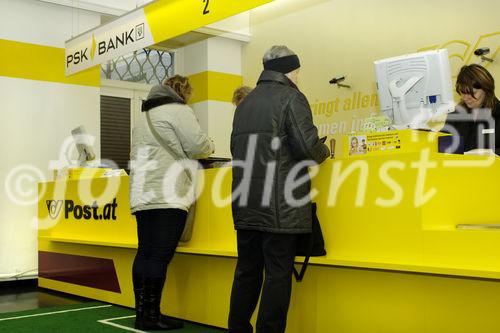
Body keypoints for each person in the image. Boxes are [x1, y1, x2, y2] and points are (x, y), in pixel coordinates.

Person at [228, 45, 330, 333]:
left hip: (246, 201)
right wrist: (324, 150)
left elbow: (235, 148)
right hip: (279, 206)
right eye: (298, 71)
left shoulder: (246, 103)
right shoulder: (292, 98)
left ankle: (237, 329)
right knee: (277, 274)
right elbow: (308, 148)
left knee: (247, 271)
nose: (299, 77)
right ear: (291, 70)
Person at [129, 75, 214, 330]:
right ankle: (151, 316)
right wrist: (211, 144)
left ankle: (143, 313)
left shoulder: (142, 117)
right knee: (159, 255)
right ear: (184, 93)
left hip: (143, 194)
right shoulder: (179, 111)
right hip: (168, 193)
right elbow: (198, 146)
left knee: (145, 252)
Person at [442, 64, 500, 154]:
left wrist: (491, 153)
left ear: (487, 90)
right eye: (462, 92)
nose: (466, 98)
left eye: (473, 93)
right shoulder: (455, 115)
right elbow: (443, 146)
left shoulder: (498, 114)